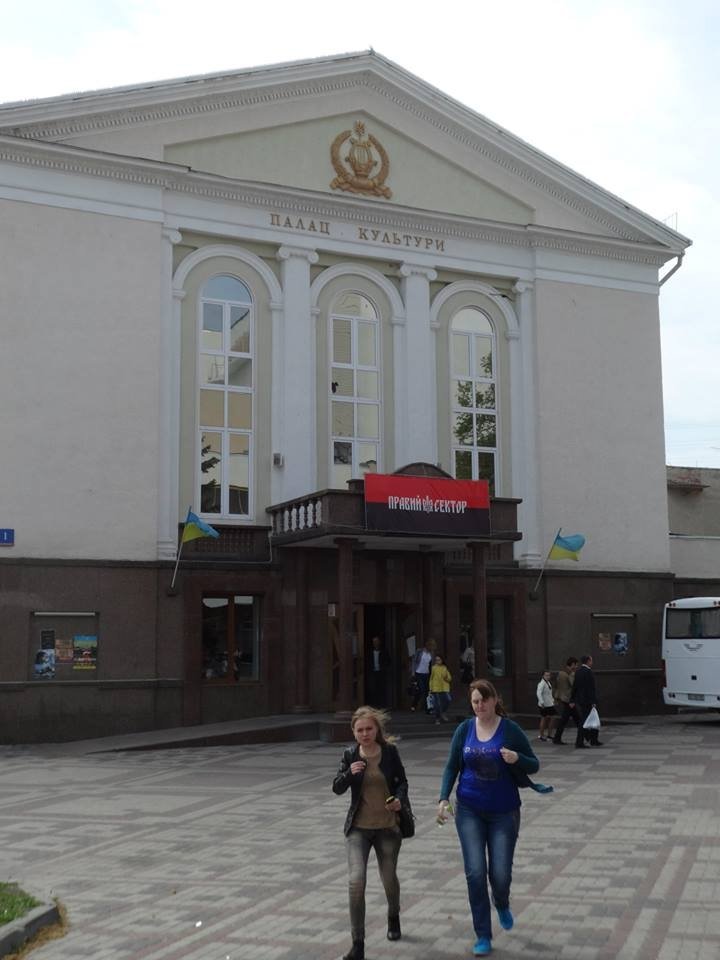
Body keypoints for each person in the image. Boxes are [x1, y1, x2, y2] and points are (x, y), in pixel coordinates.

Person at [437, 679, 550, 957]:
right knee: (475, 872)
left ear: (494, 700)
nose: (479, 706)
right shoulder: (465, 729)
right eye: (475, 701)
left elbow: (534, 764)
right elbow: (452, 766)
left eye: (484, 700)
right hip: (469, 810)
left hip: (504, 812)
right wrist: (443, 798)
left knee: (500, 873)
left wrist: (516, 758)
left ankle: (501, 902)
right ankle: (483, 935)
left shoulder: (509, 729)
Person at [332, 705, 409, 960]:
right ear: (354, 732)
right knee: (356, 882)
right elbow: (337, 787)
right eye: (360, 730)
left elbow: (402, 782)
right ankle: (358, 944)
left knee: (389, 879)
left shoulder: (390, 752)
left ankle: (393, 915)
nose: (365, 734)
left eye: (369, 729)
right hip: (358, 829)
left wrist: (398, 800)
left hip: (387, 828)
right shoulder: (350, 754)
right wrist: (348, 774)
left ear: (377, 730)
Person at [571, 654, 602, 748]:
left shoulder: (578, 671)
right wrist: (593, 701)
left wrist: (572, 699)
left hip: (581, 700)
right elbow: (591, 688)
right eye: (591, 660)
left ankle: (593, 739)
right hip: (588, 700)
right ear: (588, 661)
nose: (592, 662)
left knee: (592, 718)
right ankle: (580, 742)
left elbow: (575, 686)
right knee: (586, 720)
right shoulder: (588, 672)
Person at [552, 657, 581, 744]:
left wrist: (557, 697)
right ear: (572, 664)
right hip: (569, 700)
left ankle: (585, 736)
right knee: (566, 720)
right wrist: (573, 674)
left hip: (564, 698)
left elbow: (556, 685)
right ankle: (557, 738)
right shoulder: (569, 674)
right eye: (575, 665)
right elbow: (573, 684)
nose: (576, 667)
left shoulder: (560, 673)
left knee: (576, 719)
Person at [366, 635, 390, 707]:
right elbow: (367, 662)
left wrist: (384, 668)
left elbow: (388, 661)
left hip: (381, 672)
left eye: (377, 641)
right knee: (373, 689)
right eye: (374, 642)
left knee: (381, 688)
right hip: (372, 673)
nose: (375, 643)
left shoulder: (384, 651)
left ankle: (381, 705)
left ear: (379, 642)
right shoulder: (370, 652)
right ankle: (374, 705)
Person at [410, 640, 432, 712]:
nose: (431, 648)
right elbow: (414, 661)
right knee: (421, 689)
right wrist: (413, 673)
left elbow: (432, 664)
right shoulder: (419, 651)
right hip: (418, 673)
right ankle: (414, 705)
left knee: (427, 691)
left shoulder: (431, 653)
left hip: (427, 674)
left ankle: (427, 708)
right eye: (430, 646)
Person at [429, 654, 452, 724]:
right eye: (436, 660)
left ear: (442, 660)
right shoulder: (433, 668)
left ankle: (443, 712)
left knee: (448, 700)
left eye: (439, 660)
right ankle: (437, 718)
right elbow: (431, 679)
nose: (437, 661)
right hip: (435, 688)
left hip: (444, 687)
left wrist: (446, 678)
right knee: (437, 704)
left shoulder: (445, 668)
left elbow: (449, 678)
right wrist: (431, 688)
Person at [535, 670, 556, 741]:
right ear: (543, 676)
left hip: (549, 704)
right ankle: (541, 735)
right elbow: (538, 693)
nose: (548, 677)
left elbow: (549, 693)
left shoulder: (548, 683)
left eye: (549, 675)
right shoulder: (541, 683)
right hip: (544, 705)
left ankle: (549, 734)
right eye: (546, 675)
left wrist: (553, 700)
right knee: (543, 719)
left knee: (552, 718)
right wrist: (542, 702)